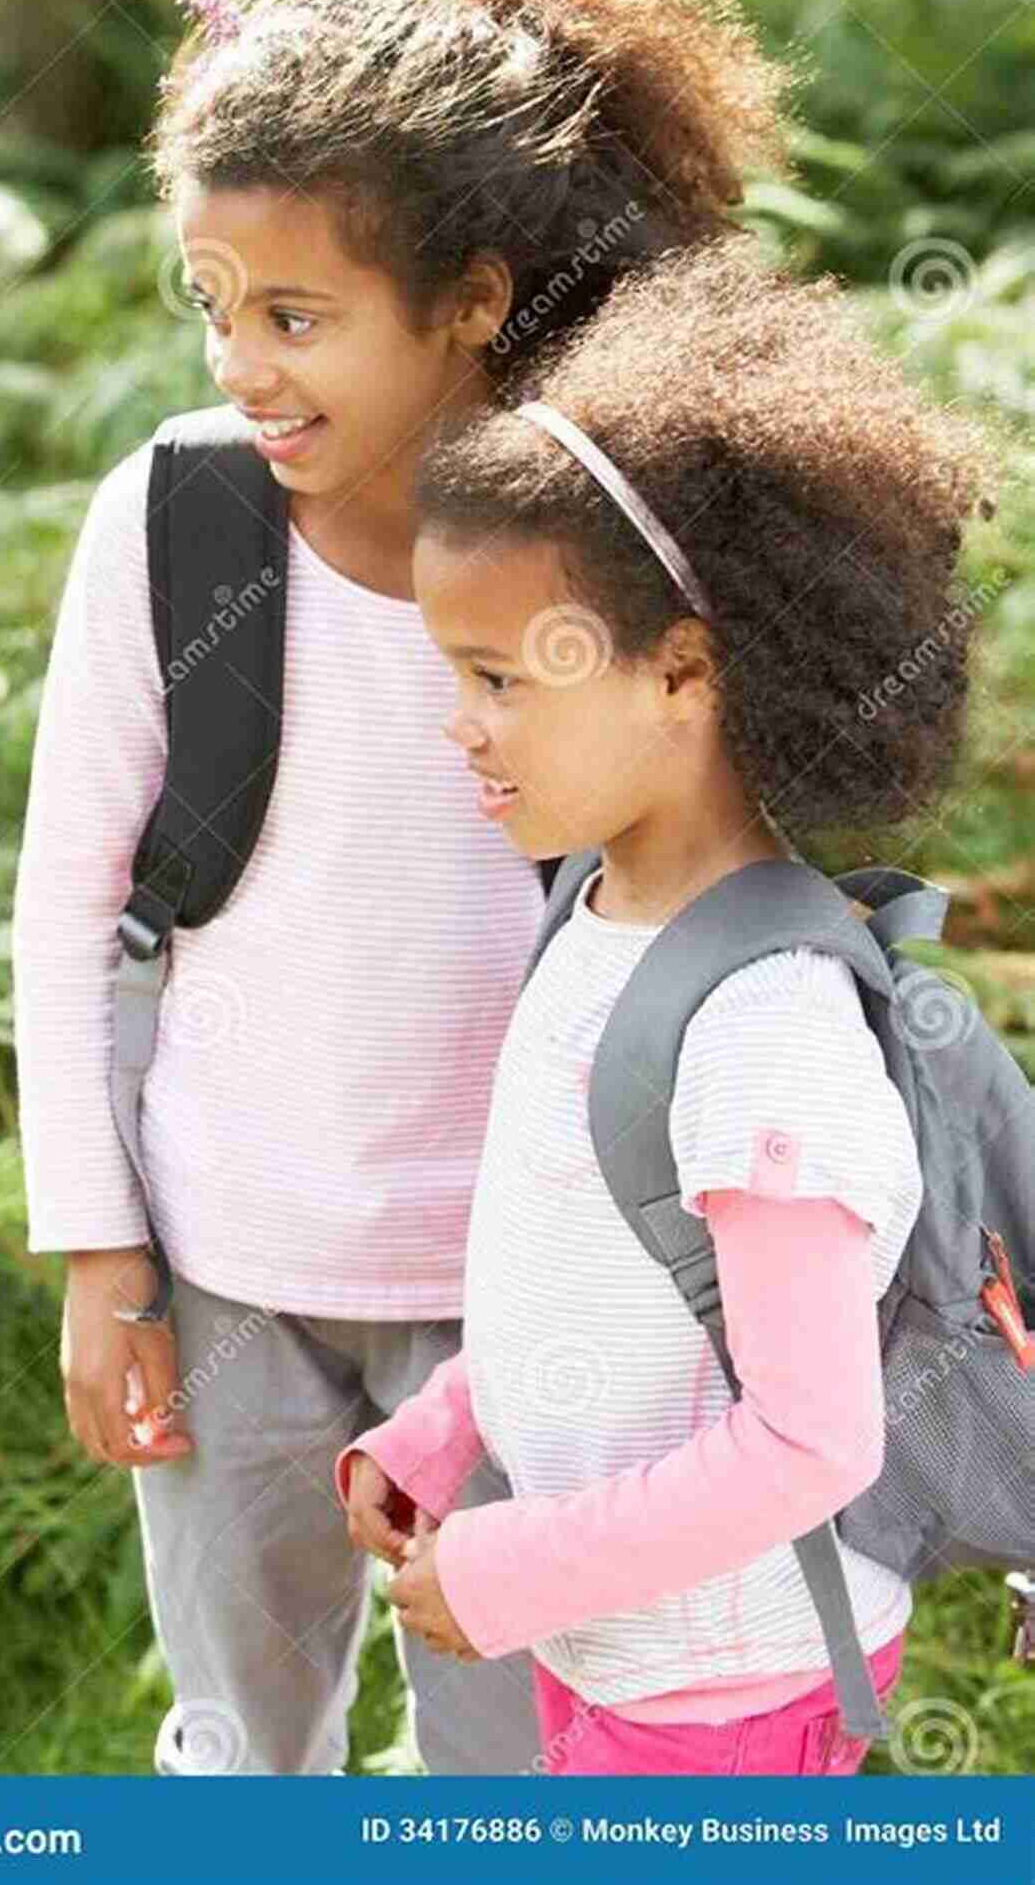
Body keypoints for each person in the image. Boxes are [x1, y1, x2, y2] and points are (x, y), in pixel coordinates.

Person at [12, 0, 794, 1776]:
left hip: (529, 1285)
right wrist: (100, 1256)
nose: (239, 359)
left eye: (298, 313)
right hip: (223, 1266)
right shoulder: (174, 521)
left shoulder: (596, 540)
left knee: (507, 1749)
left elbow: (705, 893)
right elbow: (63, 895)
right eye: (211, 299)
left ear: (468, 297)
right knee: (243, 1729)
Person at [337, 235, 996, 1776]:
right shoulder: (595, 914)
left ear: (686, 673)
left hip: (733, 1698)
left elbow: (811, 1440)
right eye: (455, 675)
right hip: (626, 1660)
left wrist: (509, 1570)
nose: (462, 727)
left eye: (503, 679)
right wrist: (450, 1428)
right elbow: (604, 1291)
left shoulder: (767, 1031)